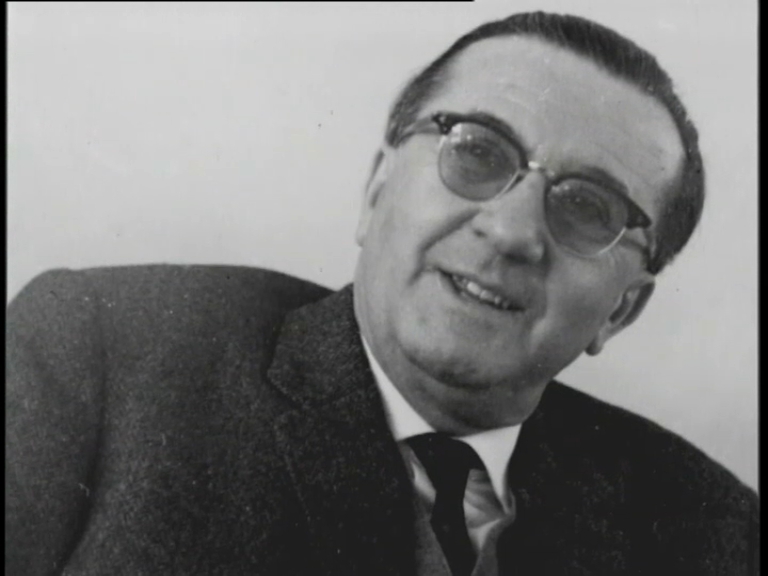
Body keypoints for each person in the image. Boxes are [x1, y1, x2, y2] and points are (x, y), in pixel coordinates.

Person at [6, 11, 758, 576]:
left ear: (622, 309)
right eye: (477, 152)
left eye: (588, 208)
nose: (511, 232)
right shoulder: (96, 360)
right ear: (376, 191)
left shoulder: (715, 530)